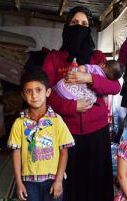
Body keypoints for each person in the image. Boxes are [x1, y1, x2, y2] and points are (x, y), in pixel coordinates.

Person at [43, 5, 121, 201]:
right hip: (66, 132)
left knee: (95, 182)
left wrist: (89, 79)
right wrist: (71, 107)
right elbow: (46, 93)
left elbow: (115, 88)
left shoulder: (98, 58)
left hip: (97, 131)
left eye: (85, 24)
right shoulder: (53, 58)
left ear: (90, 30)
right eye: (75, 23)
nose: (79, 27)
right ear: (66, 27)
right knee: (69, 183)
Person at [7, 69, 75, 201]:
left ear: (48, 92)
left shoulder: (56, 120)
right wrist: (19, 182)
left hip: (53, 179)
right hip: (29, 181)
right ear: (23, 95)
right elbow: (16, 153)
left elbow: (64, 152)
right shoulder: (19, 123)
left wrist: (59, 181)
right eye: (29, 91)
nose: (34, 95)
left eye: (39, 90)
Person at [53, 60, 124, 106]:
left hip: (67, 86)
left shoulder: (96, 68)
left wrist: (81, 71)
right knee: (92, 98)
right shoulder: (106, 80)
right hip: (77, 95)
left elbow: (81, 68)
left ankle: (57, 89)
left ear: (103, 64)